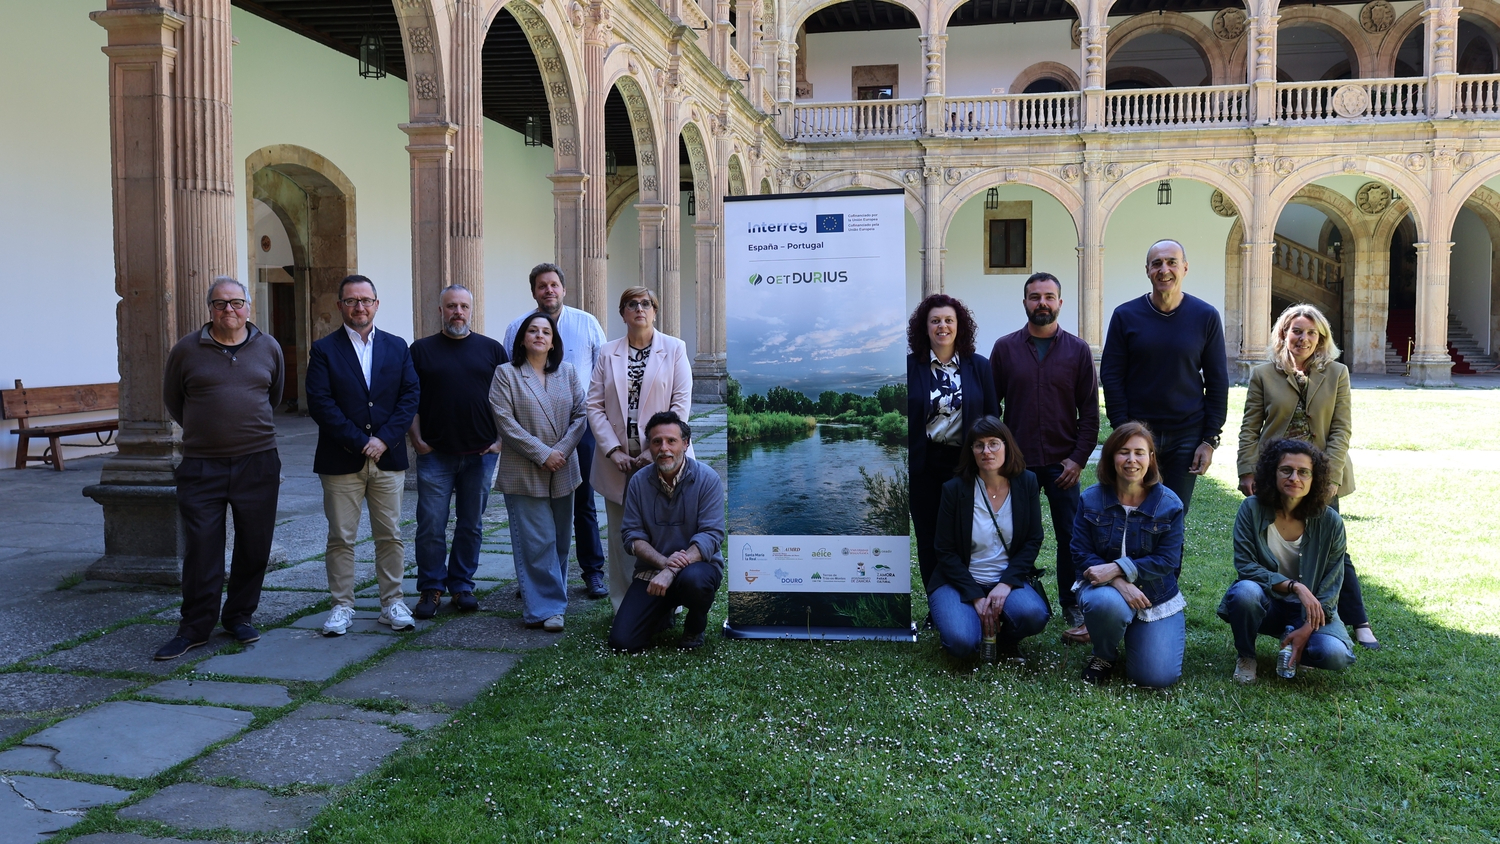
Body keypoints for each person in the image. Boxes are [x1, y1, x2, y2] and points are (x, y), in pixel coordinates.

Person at [154, 278, 285, 660]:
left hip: (257, 461)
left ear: (248, 307)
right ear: (209, 309)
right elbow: (173, 400)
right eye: (220, 304)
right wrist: (209, 431)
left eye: (237, 303)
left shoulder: (269, 347)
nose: (229, 310)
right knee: (203, 548)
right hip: (201, 465)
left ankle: (239, 616)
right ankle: (194, 627)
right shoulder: (186, 351)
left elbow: (272, 396)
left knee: (255, 545)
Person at [1236, 303, 1379, 649]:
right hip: (1275, 474)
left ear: (1322, 338)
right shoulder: (1263, 374)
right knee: (1267, 541)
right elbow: (1250, 428)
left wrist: (1330, 477)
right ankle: (1267, 610)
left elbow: (1341, 429)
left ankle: (1358, 620)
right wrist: (1246, 470)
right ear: (1283, 333)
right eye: (1296, 331)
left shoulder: (1337, 374)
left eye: (1312, 333)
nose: (1303, 338)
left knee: (1333, 549)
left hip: (1320, 475)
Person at [305, 275, 421, 636]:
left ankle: (392, 603)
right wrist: (360, 442)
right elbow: (320, 404)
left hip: (388, 458)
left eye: (366, 300)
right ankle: (342, 606)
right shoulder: (324, 349)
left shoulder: (397, 346)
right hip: (341, 460)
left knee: (390, 535)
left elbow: (409, 396)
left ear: (376, 304)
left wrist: (384, 439)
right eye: (352, 301)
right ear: (340, 305)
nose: (359, 307)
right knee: (341, 537)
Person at [989, 271, 1100, 629]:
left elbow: (1090, 413)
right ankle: (1013, 594)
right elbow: (992, 411)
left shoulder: (1078, 350)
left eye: (1049, 297)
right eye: (1035, 297)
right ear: (1025, 303)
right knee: (1013, 534)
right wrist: (1000, 458)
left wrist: (1078, 459)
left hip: (1062, 465)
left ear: (1060, 303)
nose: (1042, 303)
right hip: (1017, 466)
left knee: (1071, 536)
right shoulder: (1004, 349)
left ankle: (1071, 602)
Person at [1099, 240, 1228, 516]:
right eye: (1157, 263)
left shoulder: (1205, 316)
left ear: (1185, 267)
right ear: (1147, 270)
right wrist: (1123, 429)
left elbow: (1218, 381)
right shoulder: (1125, 316)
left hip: (1187, 434)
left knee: (1173, 516)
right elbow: (1111, 376)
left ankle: (1170, 562)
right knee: (1135, 513)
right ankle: (1130, 561)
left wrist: (1209, 440)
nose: (1164, 269)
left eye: (1171, 262)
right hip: (1139, 435)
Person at [503, 263, 608, 599]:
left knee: (583, 502)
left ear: (563, 289)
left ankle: (592, 571)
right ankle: (536, 577)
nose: (549, 291)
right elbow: (509, 374)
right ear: (534, 292)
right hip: (531, 429)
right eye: (542, 286)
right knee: (534, 505)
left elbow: (602, 372)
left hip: (580, 428)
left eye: (554, 285)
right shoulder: (517, 326)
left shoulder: (587, 323)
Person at [586, 286, 693, 610]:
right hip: (617, 463)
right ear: (622, 313)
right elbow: (594, 406)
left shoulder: (674, 349)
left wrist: (654, 449)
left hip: (663, 458)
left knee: (666, 534)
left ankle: (668, 605)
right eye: (632, 304)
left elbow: (681, 403)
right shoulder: (607, 353)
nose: (639, 309)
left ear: (655, 311)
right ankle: (623, 605)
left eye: (646, 304)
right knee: (622, 538)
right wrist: (613, 450)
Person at [1218, 438, 1356, 683]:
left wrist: (1307, 627)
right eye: (1286, 470)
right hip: (1268, 603)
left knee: (1335, 655)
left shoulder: (1331, 522)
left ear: (1315, 479)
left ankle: (1298, 644)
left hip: (1311, 611)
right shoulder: (1251, 509)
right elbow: (1246, 566)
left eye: (1304, 472)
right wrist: (1295, 586)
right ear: (1273, 473)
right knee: (1245, 592)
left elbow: (1332, 583)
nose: (1295, 478)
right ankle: (1247, 656)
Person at [408, 284, 508, 619]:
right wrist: (417, 439)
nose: (457, 312)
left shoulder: (492, 350)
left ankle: (462, 584)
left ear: (471, 310)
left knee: (471, 524)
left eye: (463, 306)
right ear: (440, 311)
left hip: (481, 453)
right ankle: (431, 587)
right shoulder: (420, 351)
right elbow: (410, 399)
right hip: (435, 453)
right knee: (431, 524)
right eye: (451, 306)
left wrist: (500, 441)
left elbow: (506, 400)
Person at [490, 310, 587, 632]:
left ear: (554, 341)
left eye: (546, 332)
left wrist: (560, 452)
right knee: (537, 541)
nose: (539, 336)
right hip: (525, 469)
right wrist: (543, 454)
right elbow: (505, 422)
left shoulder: (568, 373)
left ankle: (548, 596)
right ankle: (547, 609)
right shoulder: (506, 374)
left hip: (563, 467)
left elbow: (581, 415)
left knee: (560, 541)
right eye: (533, 330)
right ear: (522, 338)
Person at [1072, 421, 1186, 688]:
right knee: (1107, 604)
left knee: (1155, 678)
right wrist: (1119, 582)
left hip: (1154, 596)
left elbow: (1167, 560)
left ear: (1151, 458)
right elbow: (1080, 551)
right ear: (1111, 457)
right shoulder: (1090, 499)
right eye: (1123, 452)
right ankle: (1104, 654)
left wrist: (1114, 568)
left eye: (1139, 452)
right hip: (1103, 590)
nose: (1131, 460)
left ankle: (1134, 631)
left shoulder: (1169, 505)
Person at [929, 416, 1051, 659]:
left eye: (994, 443)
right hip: (959, 581)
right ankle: (970, 621)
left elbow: (1033, 539)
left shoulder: (1027, 482)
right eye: (979, 445)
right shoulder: (954, 489)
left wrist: (1005, 584)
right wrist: (975, 595)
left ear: (1007, 446)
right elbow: (944, 550)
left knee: (1033, 615)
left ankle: (1006, 641)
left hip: (1005, 579)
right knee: (962, 644)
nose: (987, 451)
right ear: (971, 451)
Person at [608, 411, 725, 652]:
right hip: (652, 572)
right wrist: (663, 563)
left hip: (697, 569)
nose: (664, 448)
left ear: (685, 443)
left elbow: (711, 535)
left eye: (671, 441)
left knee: (696, 581)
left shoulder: (708, 479)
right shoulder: (638, 482)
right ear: (648, 446)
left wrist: (671, 570)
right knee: (622, 643)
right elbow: (631, 536)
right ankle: (663, 610)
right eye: (656, 441)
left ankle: (695, 626)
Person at [907, 294, 999, 594]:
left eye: (949, 320)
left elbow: (991, 419)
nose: (942, 326)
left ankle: (966, 596)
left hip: (965, 464)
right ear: (925, 327)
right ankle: (937, 602)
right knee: (929, 535)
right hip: (923, 464)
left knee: (965, 534)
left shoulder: (979, 367)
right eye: (935, 321)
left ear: (960, 326)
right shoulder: (908, 368)